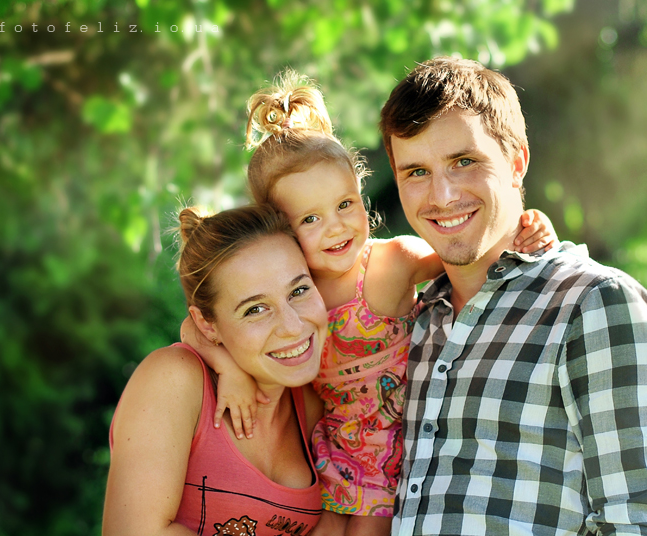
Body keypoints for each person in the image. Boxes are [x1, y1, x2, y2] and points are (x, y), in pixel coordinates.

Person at [183, 72, 560, 536]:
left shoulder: (391, 263)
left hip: (397, 450)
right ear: (278, 228)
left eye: (345, 204)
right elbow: (195, 328)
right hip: (328, 450)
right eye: (310, 219)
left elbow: (472, 249)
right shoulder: (291, 294)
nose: (336, 227)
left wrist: (529, 224)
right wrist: (231, 370)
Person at [378, 57, 647, 536]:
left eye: (464, 162)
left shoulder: (595, 304)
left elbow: (637, 522)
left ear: (517, 162)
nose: (442, 195)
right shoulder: (413, 321)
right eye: (416, 171)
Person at [102, 204, 328, 536]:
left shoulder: (312, 400)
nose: (293, 326)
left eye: (299, 290)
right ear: (207, 325)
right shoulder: (174, 380)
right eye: (255, 309)